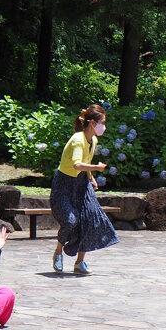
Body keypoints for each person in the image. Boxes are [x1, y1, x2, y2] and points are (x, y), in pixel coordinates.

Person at [49, 104, 118, 275]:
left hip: (82, 184)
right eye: (103, 123)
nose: (105, 127)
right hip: (64, 184)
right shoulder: (78, 139)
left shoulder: (93, 140)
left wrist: (91, 178)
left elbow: (83, 165)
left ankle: (80, 262)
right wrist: (96, 168)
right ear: (93, 123)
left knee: (90, 219)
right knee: (71, 221)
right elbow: (77, 164)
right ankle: (58, 252)